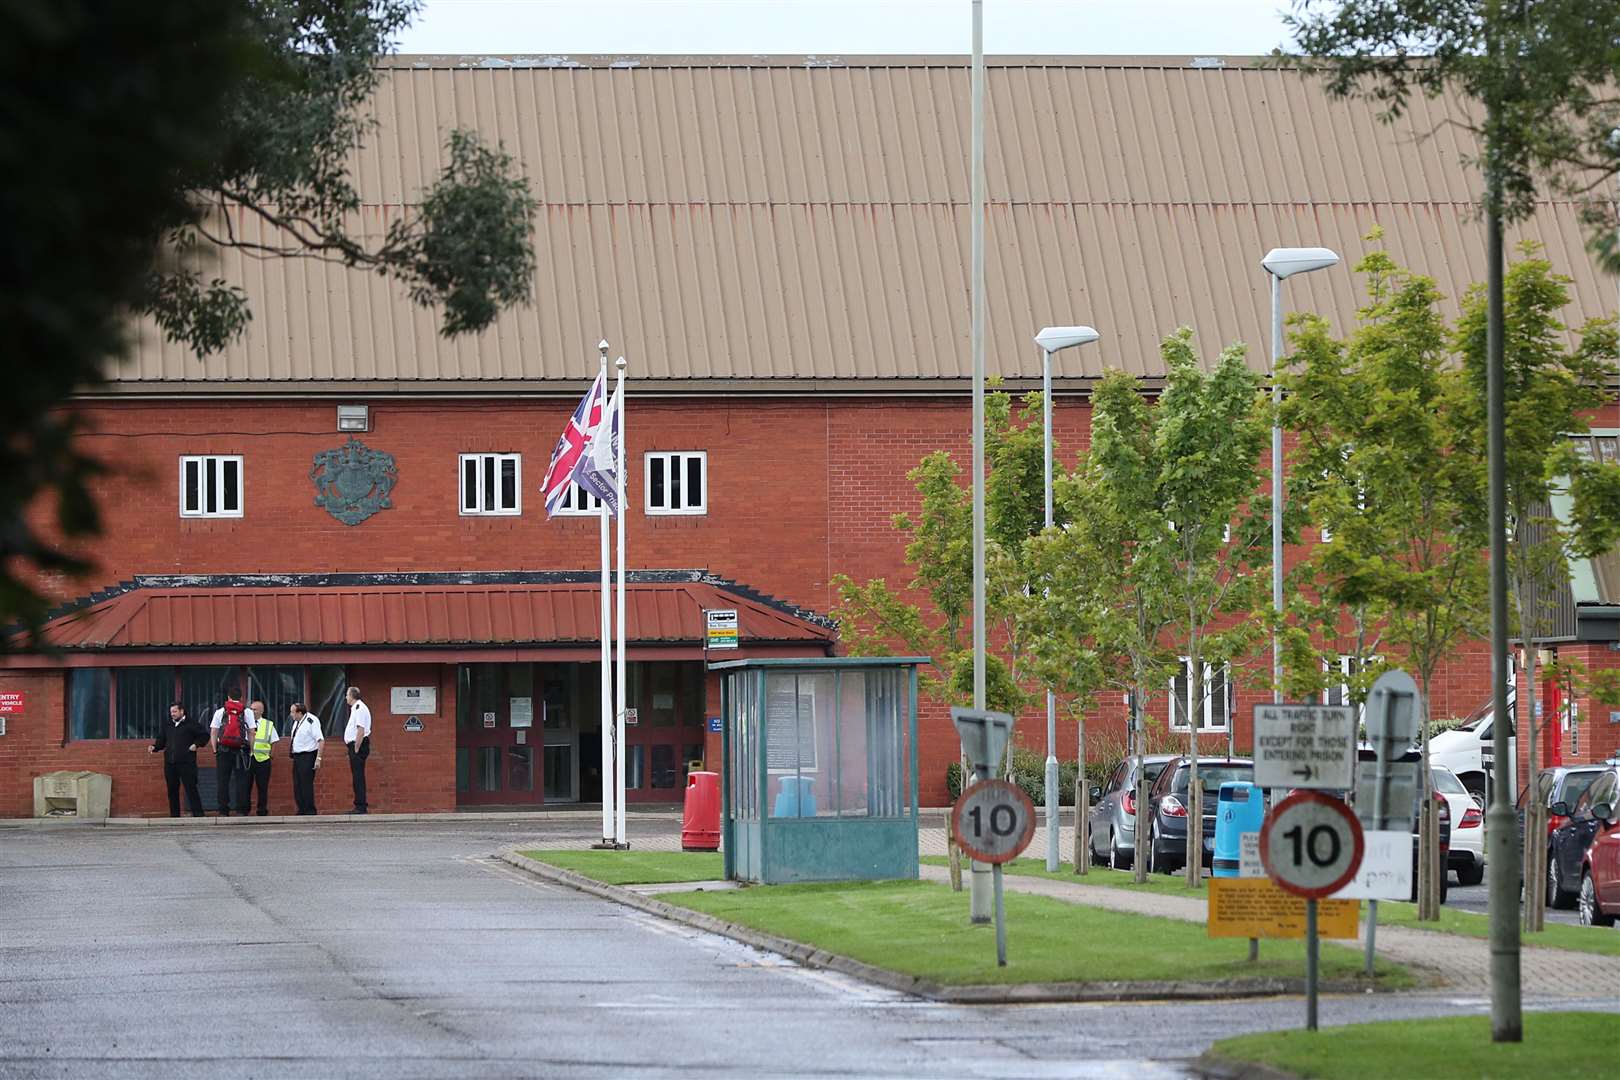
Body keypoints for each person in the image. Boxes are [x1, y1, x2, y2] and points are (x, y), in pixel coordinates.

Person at [149, 702, 207, 818]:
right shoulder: (168, 725)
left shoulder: (191, 724)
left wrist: (196, 744)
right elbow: (161, 740)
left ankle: (199, 815)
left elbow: (204, 735)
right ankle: (174, 816)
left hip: (186, 762)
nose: (172, 714)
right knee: (172, 790)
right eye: (171, 712)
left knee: (191, 788)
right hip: (170, 763)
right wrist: (155, 747)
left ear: (182, 711)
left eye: (175, 711)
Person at [209, 688, 253, 816]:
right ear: (241, 698)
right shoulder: (247, 711)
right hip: (241, 750)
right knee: (242, 780)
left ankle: (223, 810)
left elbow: (213, 732)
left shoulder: (220, 711)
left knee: (223, 780)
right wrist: (251, 749)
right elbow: (251, 732)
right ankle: (241, 810)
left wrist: (214, 749)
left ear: (228, 697)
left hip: (223, 750)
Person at [287, 701, 324, 816]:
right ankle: (301, 808)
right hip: (297, 757)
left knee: (306, 784)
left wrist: (319, 758)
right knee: (297, 784)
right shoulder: (296, 722)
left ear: (300, 713)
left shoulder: (311, 721)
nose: (291, 714)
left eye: (293, 712)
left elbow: (321, 740)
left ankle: (310, 810)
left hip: (307, 756)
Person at [245, 700, 279, 816]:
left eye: (255, 709)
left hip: (263, 760)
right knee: (246, 786)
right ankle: (245, 810)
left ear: (261, 711)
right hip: (248, 759)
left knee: (262, 787)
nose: (252, 711)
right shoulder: (245, 723)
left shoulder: (268, 724)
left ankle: (262, 810)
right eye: (251, 709)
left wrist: (271, 755)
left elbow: (274, 741)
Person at [343, 686, 372, 814]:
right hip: (355, 745)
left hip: (358, 745)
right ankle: (359, 805)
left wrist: (355, 748)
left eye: (347, 695)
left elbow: (360, 730)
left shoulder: (359, 708)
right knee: (357, 776)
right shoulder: (356, 708)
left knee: (358, 777)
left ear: (352, 696)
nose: (346, 697)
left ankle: (360, 806)